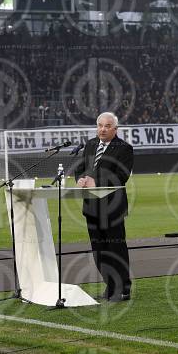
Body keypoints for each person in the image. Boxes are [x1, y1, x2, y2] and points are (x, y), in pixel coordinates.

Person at [75, 112, 134, 302]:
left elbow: (122, 176)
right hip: (91, 207)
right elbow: (80, 168)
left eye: (107, 126)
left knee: (115, 248)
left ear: (115, 129)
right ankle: (110, 285)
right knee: (99, 250)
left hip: (112, 207)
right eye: (100, 125)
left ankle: (123, 288)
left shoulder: (124, 148)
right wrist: (81, 179)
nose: (102, 129)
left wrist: (96, 182)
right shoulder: (91, 145)